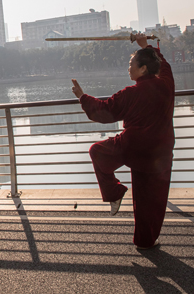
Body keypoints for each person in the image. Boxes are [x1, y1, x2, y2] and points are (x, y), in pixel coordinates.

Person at [71, 33, 174, 250]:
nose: (128, 68)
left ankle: (114, 192)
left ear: (143, 68)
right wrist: (146, 46)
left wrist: (82, 97)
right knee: (153, 199)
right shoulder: (166, 84)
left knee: (97, 151)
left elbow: (104, 111)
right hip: (161, 152)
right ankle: (146, 241)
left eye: (131, 64)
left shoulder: (130, 93)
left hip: (134, 148)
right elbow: (164, 65)